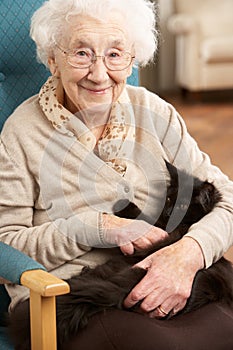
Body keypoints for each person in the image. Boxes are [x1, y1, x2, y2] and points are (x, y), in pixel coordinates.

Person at [0, 0, 233, 349]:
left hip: (171, 276)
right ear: (52, 59)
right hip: (72, 300)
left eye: (114, 54)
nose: (98, 73)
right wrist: (96, 228)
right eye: (81, 53)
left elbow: (225, 199)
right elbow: (7, 243)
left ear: (133, 59)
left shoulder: (155, 111)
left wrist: (190, 254)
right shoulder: (22, 131)